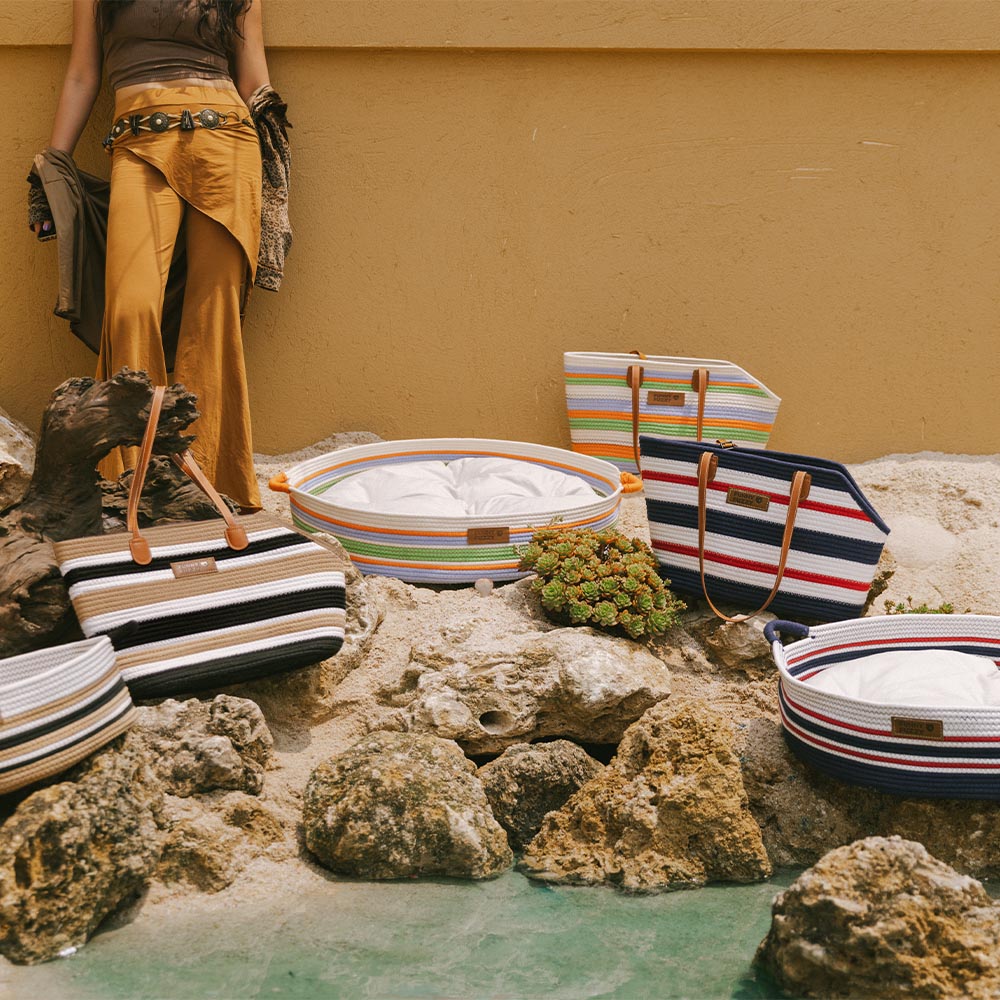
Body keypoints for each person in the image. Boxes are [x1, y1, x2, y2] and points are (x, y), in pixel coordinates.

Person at [32, 0, 274, 511]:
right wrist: (52, 163)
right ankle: (130, 485)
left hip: (228, 142)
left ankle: (209, 484)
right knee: (130, 307)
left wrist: (275, 171)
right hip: (137, 144)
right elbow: (81, 75)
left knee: (214, 318)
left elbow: (255, 80)